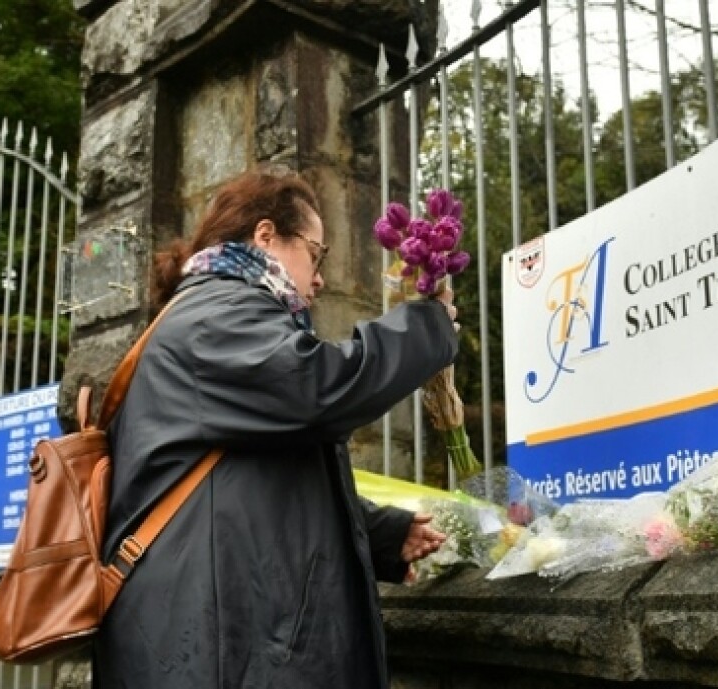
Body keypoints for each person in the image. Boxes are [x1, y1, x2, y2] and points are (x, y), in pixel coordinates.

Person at [93, 171, 457, 688]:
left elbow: (255, 481)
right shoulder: (215, 314)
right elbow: (318, 390)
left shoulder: (217, 314)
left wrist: (382, 534)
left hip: (209, 642)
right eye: (316, 253)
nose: (321, 277)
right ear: (266, 236)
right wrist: (428, 327)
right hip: (210, 653)